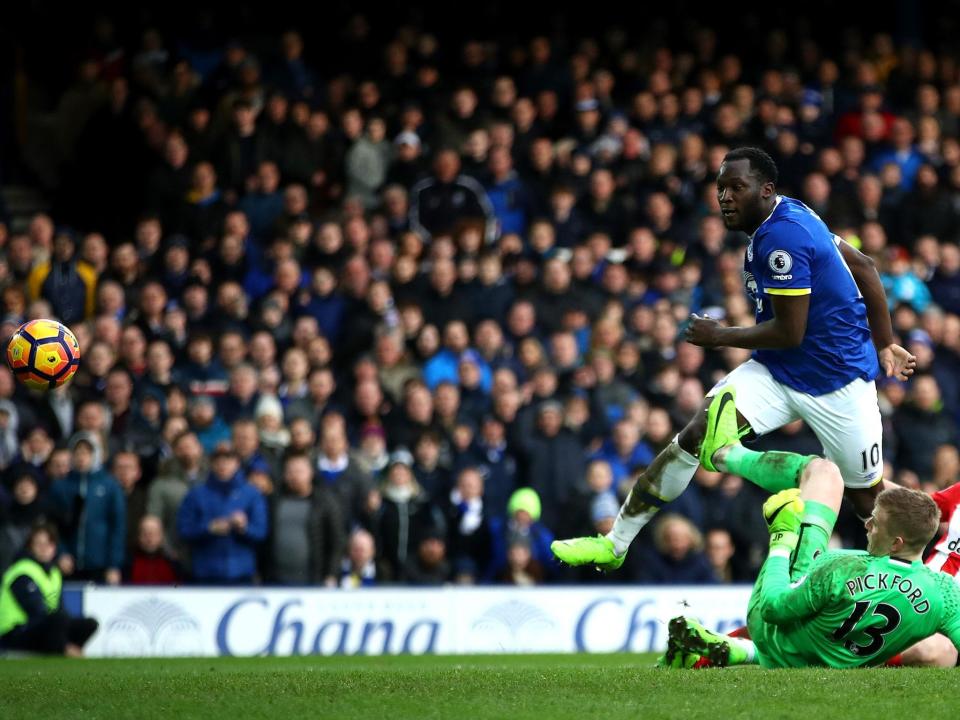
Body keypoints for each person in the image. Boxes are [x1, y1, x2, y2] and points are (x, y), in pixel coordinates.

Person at [552, 146, 916, 572]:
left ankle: (926, 568)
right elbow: (865, 267)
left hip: (837, 382)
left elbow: (790, 331)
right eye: (721, 188)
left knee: (867, 503)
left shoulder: (783, 238)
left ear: (765, 190)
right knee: (695, 434)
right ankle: (614, 544)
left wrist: (719, 335)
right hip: (778, 372)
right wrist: (886, 343)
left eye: (736, 188)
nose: (724, 197)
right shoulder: (788, 215)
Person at [660, 388, 960, 669]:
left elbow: (774, 608)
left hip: (874, 604)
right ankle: (724, 453)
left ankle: (724, 454)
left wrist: (781, 538)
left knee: (822, 474)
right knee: (828, 473)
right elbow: (921, 509)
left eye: (874, 522)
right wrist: (862, 480)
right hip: (919, 606)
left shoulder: (843, 564)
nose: (867, 523)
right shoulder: (943, 591)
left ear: (895, 541)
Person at [0, 524, 99, 656]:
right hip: (14, 631)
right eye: (39, 544)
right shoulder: (22, 571)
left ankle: (65, 649)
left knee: (89, 624)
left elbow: (59, 607)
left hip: (41, 625)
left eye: (49, 544)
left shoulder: (54, 573)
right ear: (30, 547)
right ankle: (65, 650)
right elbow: (36, 610)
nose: (44, 549)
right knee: (57, 620)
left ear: (54, 547)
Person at [176, 446, 268, 584]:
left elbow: (261, 532)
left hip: (241, 573)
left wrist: (244, 528)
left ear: (237, 463)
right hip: (205, 574)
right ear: (212, 464)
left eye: (228, 460)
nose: (223, 465)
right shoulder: (196, 494)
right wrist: (209, 529)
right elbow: (184, 530)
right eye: (219, 461)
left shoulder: (252, 494)